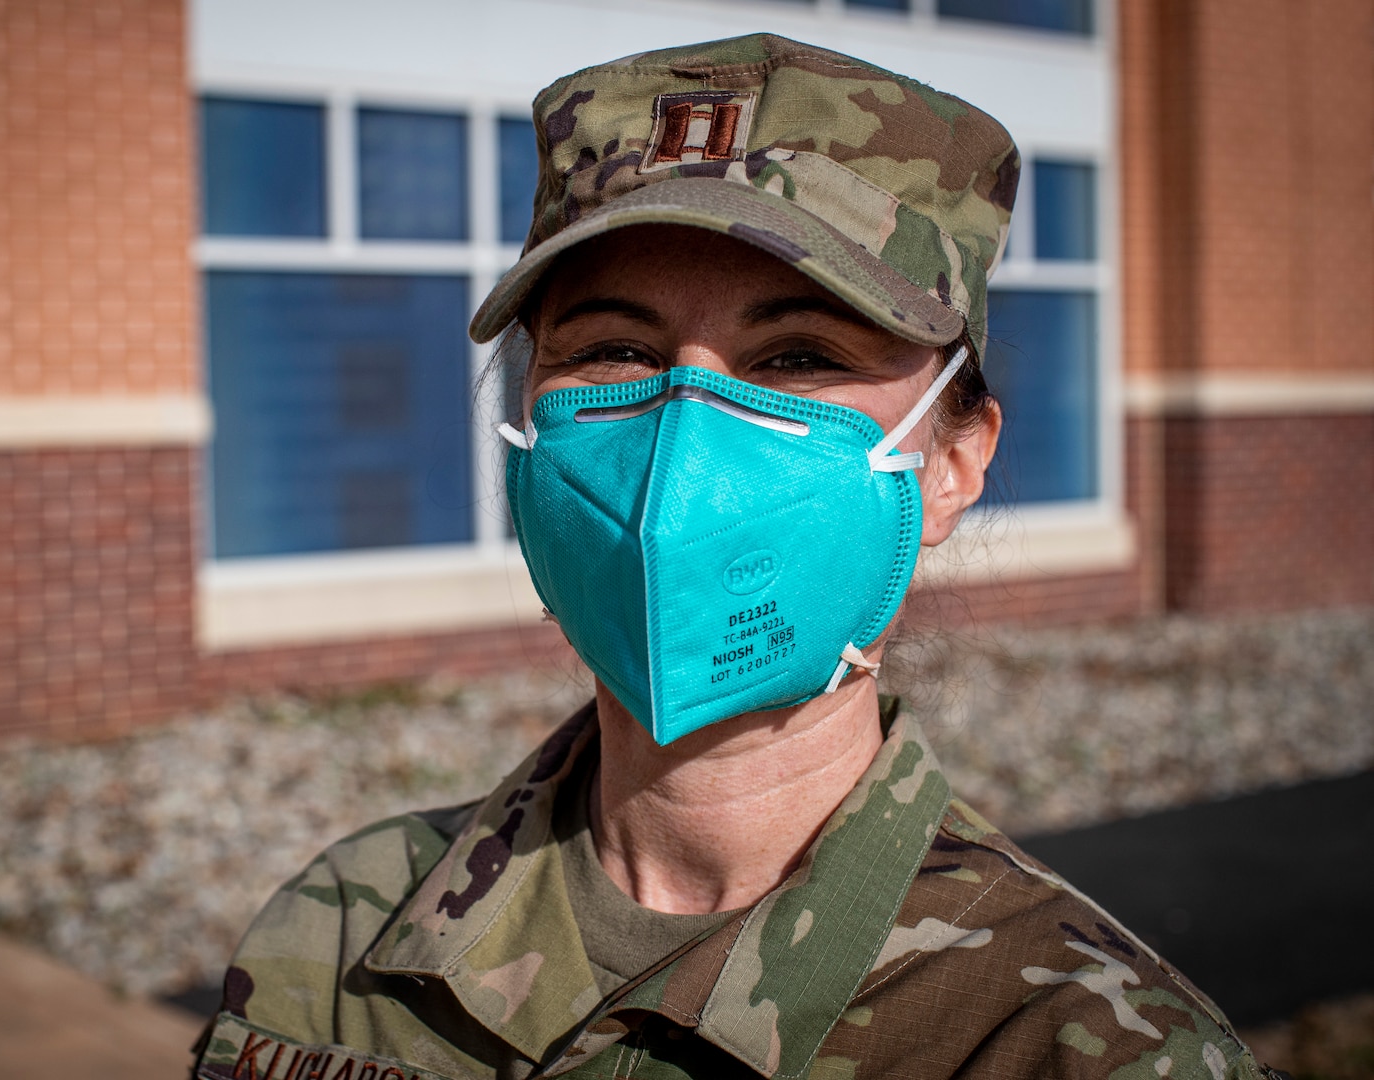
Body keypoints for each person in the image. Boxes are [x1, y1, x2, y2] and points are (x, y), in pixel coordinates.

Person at [194, 34, 1279, 1080]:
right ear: (526, 412)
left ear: (951, 464)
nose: (682, 442)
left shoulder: (1075, 1041)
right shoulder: (340, 937)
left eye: (799, 357)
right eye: (614, 349)